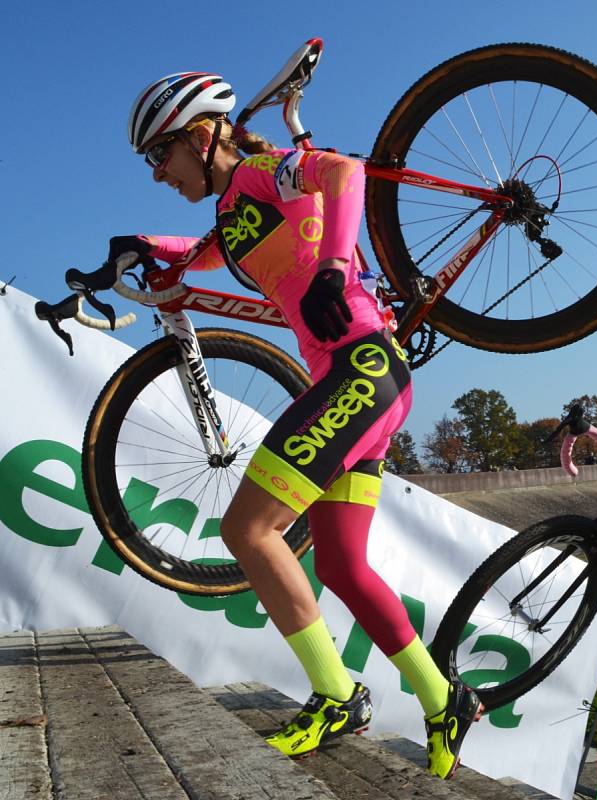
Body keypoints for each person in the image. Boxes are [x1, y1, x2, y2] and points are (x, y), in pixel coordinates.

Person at [118, 70, 482, 779]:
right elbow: (194, 256)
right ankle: (444, 699)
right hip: (363, 386)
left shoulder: (260, 173)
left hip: (362, 372)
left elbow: (341, 171)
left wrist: (335, 265)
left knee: (248, 530)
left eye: (159, 156)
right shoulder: (233, 216)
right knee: (342, 566)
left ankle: (336, 694)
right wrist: (129, 251)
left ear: (199, 137)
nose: (157, 174)